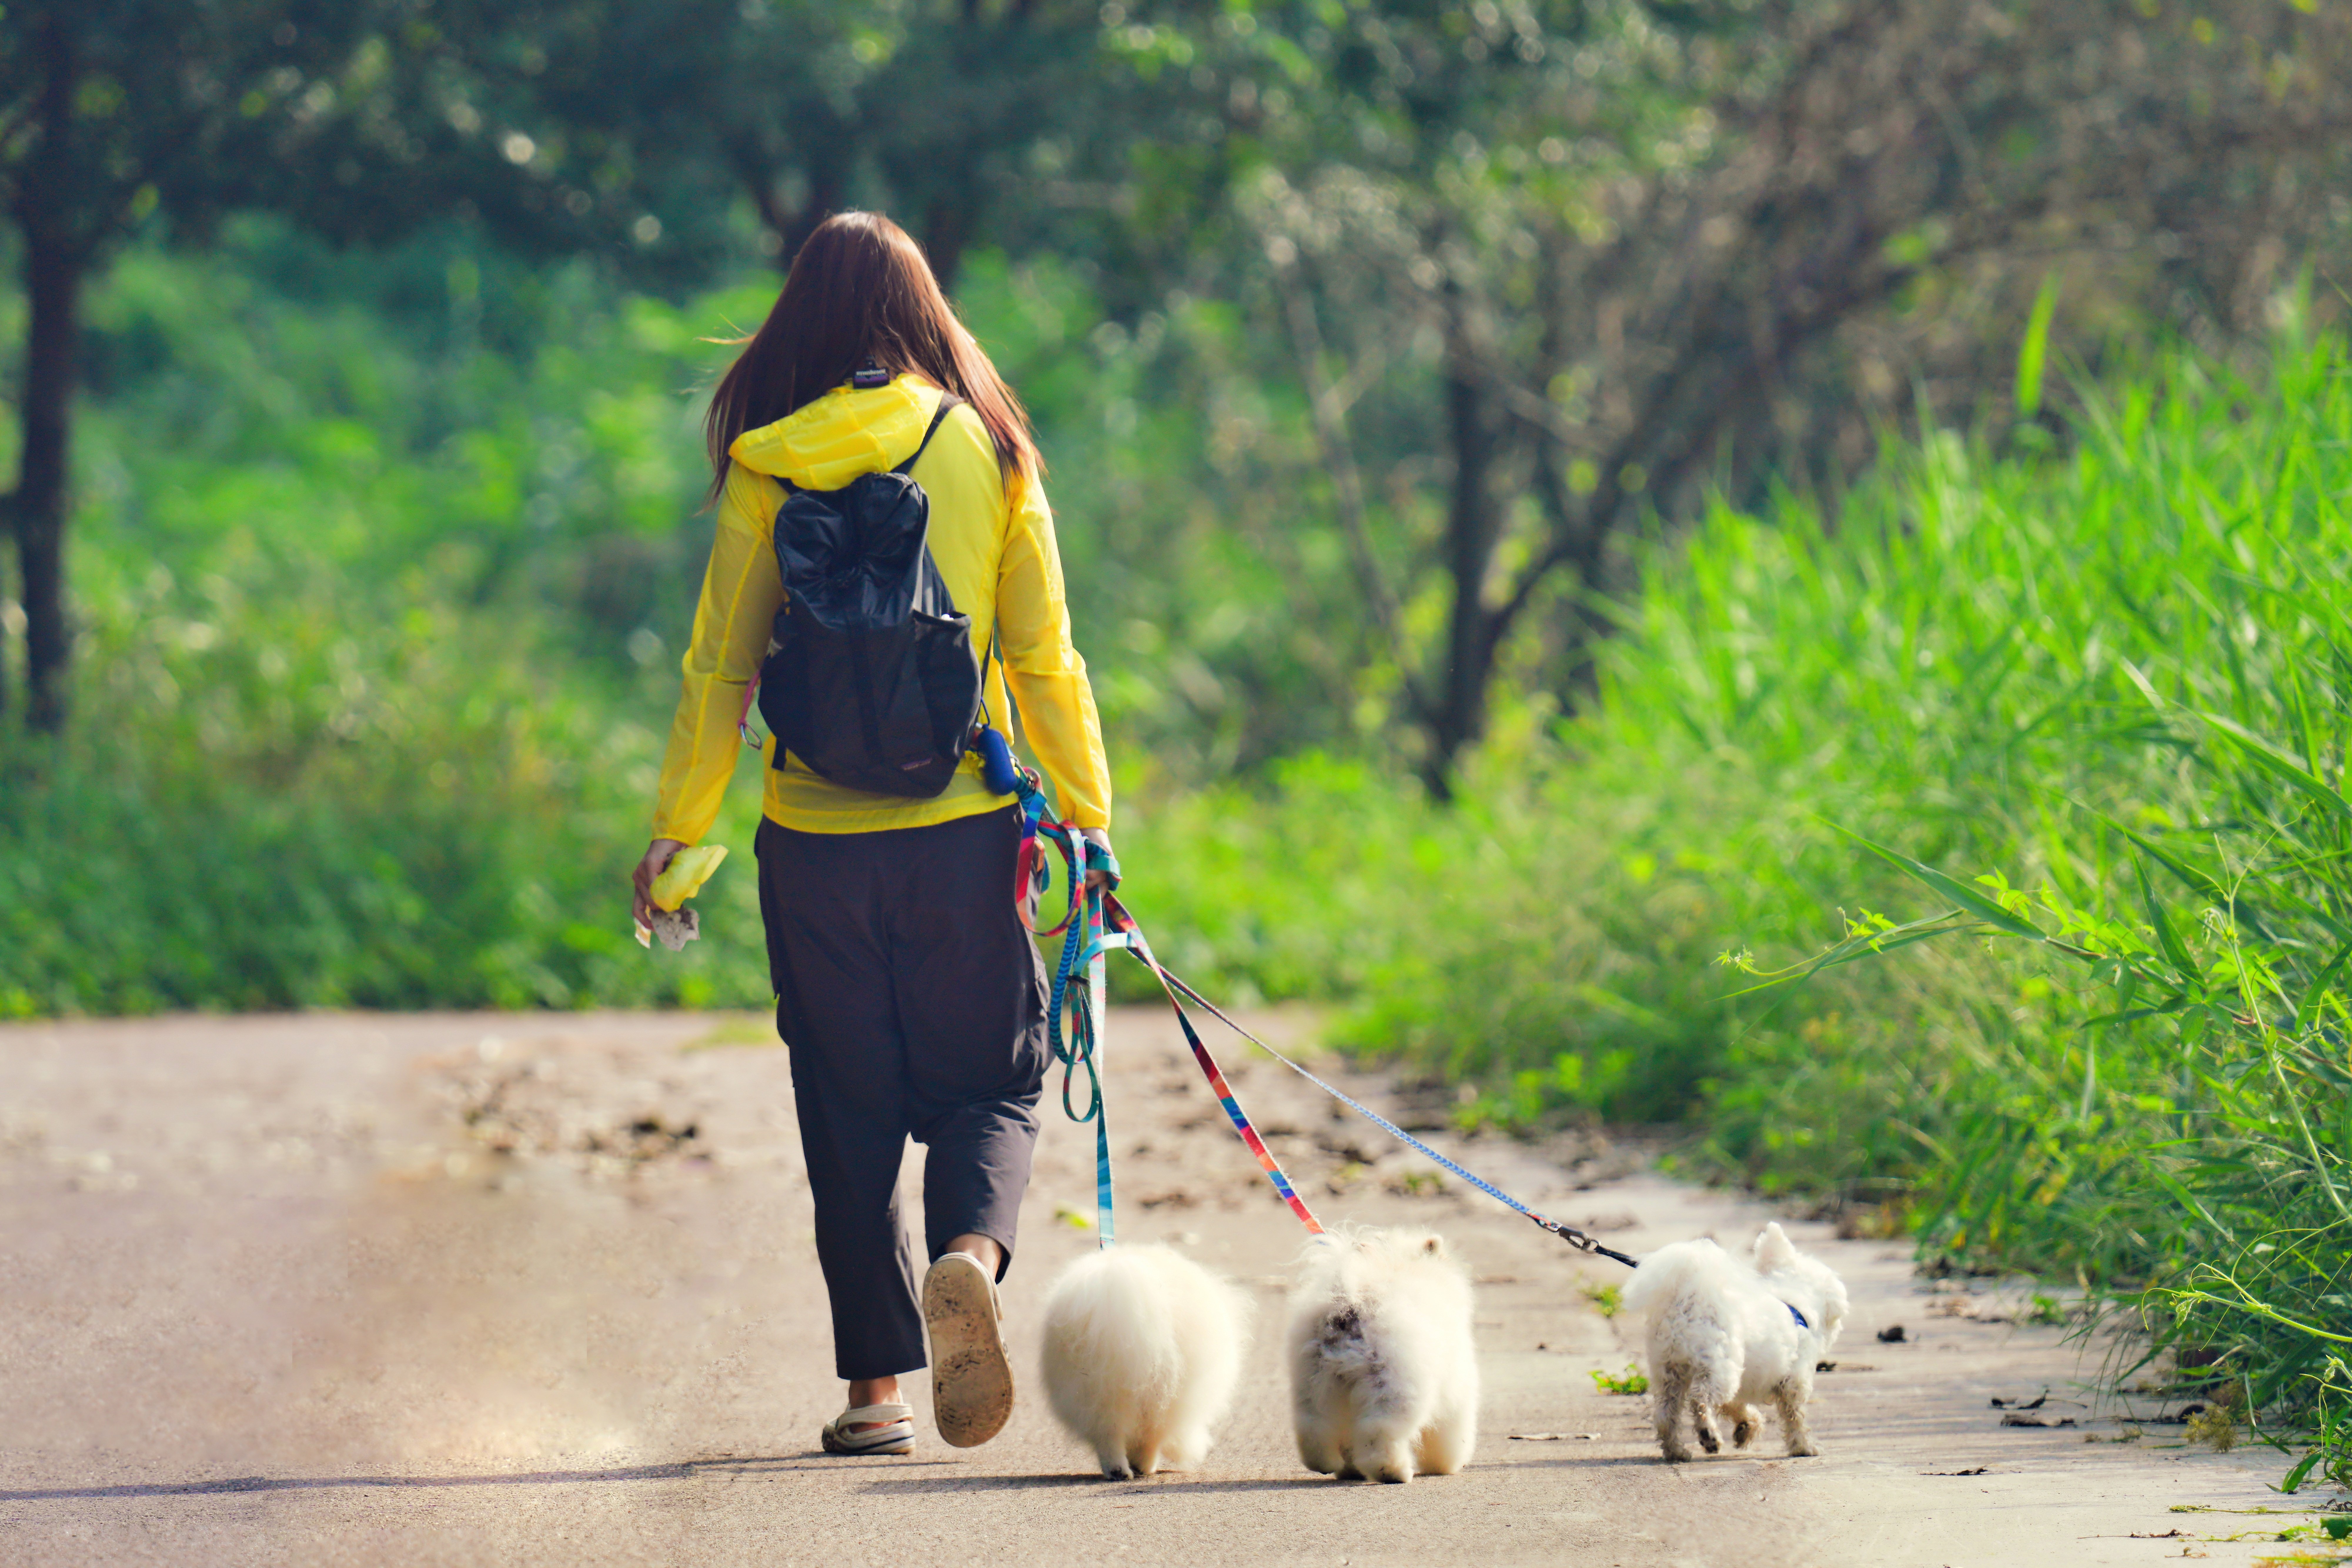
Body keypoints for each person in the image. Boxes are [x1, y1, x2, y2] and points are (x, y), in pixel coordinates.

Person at [631, 211, 1113, 1457]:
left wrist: (679, 837)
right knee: (992, 1080)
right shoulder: (987, 446)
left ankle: (874, 1393)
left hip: (813, 842)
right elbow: (1042, 657)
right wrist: (1087, 819)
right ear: (925, 315)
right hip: (964, 830)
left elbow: (716, 669)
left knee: (843, 1107)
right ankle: (967, 1255)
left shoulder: (765, 457)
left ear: (805, 320)